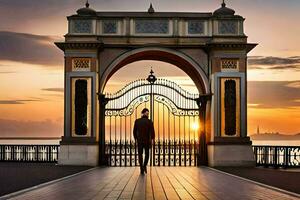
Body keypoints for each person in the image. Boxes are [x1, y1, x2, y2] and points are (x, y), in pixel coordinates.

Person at [133, 108, 155, 174]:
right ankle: (144, 166)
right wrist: (152, 139)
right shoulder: (150, 121)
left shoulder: (137, 121)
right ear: (143, 113)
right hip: (147, 141)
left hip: (140, 141)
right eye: (147, 113)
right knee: (147, 154)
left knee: (140, 154)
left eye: (148, 113)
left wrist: (136, 138)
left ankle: (142, 168)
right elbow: (152, 132)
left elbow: (134, 131)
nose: (148, 114)